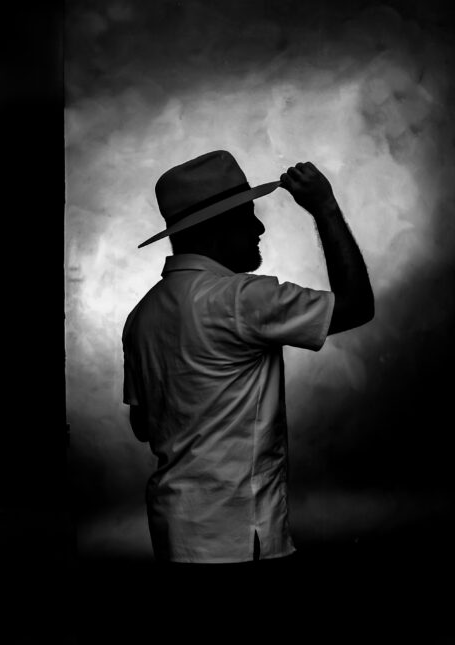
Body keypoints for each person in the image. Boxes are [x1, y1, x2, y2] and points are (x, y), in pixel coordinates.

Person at [123, 150, 374, 564]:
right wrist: (324, 208)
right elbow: (358, 305)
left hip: (173, 534)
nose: (259, 227)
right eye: (246, 214)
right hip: (238, 539)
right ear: (213, 228)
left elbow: (142, 424)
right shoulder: (242, 298)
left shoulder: (142, 315)